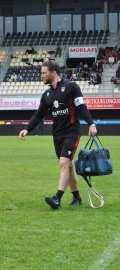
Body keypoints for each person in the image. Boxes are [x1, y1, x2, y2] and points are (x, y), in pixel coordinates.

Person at [19, 60, 97, 210]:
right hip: (57, 134)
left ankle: (57, 198)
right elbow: (39, 114)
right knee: (68, 166)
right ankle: (77, 198)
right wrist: (27, 129)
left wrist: (91, 124)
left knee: (63, 163)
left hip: (72, 132)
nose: (41, 76)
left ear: (53, 72)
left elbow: (81, 106)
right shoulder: (47, 94)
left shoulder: (71, 87)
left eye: (44, 73)